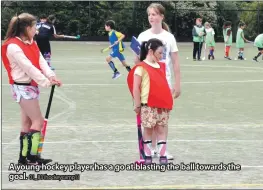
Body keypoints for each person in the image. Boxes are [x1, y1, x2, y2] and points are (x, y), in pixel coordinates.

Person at [1, 13, 62, 165]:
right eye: (35, 27)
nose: (37, 30)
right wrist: (46, 82)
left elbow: (40, 61)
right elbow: (28, 68)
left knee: (27, 124)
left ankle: (24, 158)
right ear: (27, 28)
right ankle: (33, 157)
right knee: (38, 122)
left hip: (30, 86)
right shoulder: (13, 46)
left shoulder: (31, 41)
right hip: (23, 87)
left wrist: (51, 76)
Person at [135, 3, 181, 160]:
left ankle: (162, 150)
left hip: (164, 84)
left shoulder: (169, 38)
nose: (151, 17)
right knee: (149, 120)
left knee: (162, 120)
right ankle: (150, 149)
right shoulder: (142, 36)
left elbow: (175, 62)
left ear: (162, 16)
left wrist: (177, 84)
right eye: (149, 14)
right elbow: (137, 62)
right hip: (147, 86)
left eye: (154, 14)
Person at [127, 38, 173, 165]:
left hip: (162, 105)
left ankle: (162, 155)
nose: (162, 56)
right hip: (148, 105)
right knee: (148, 130)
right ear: (151, 52)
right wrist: (137, 105)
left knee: (161, 129)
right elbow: (136, 88)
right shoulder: (140, 68)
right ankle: (147, 156)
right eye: (160, 53)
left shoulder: (161, 66)